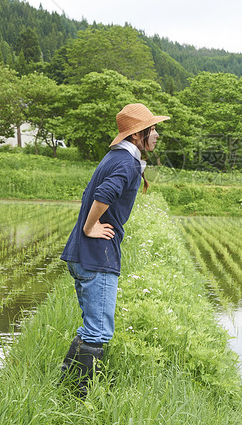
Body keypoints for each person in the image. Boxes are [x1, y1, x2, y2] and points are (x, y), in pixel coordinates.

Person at [58, 103, 169, 395]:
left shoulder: (115, 157)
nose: (156, 134)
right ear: (136, 136)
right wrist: (90, 227)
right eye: (152, 129)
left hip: (84, 255)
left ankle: (64, 387)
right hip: (96, 256)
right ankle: (77, 397)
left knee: (91, 329)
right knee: (98, 332)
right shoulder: (126, 163)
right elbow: (103, 194)